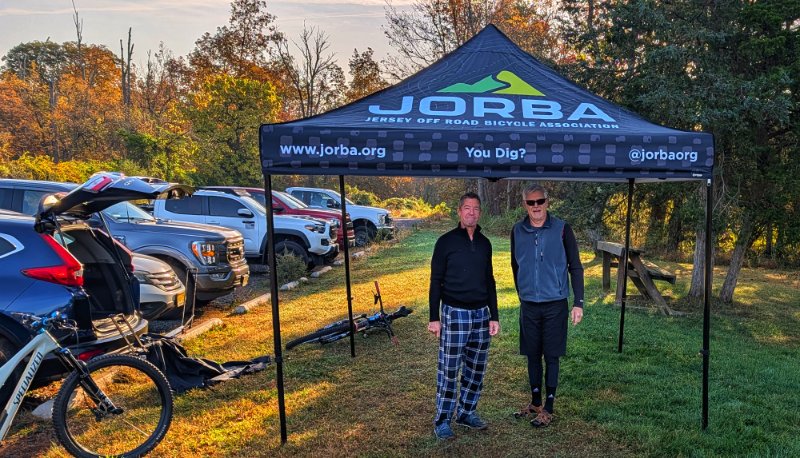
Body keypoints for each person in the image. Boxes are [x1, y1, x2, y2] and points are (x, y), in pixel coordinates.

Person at [510, 183, 584, 428]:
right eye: (531, 202)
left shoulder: (562, 229)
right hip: (529, 304)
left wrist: (578, 302)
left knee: (551, 355)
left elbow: (575, 266)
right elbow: (515, 265)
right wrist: (522, 292)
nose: (536, 206)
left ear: (547, 202)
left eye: (540, 201)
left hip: (555, 304)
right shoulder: (517, 231)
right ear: (525, 205)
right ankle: (535, 403)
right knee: (532, 354)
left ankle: (549, 407)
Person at [428, 192, 500, 440]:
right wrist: (434, 317)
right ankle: (443, 420)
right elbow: (435, 281)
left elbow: (490, 281)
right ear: (459, 211)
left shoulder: (485, 243)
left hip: (481, 314)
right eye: (467, 208)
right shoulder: (445, 242)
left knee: (476, 368)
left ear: (480, 213)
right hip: (454, 313)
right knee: (449, 369)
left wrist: (494, 316)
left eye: (476, 208)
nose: (471, 212)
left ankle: (467, 412)